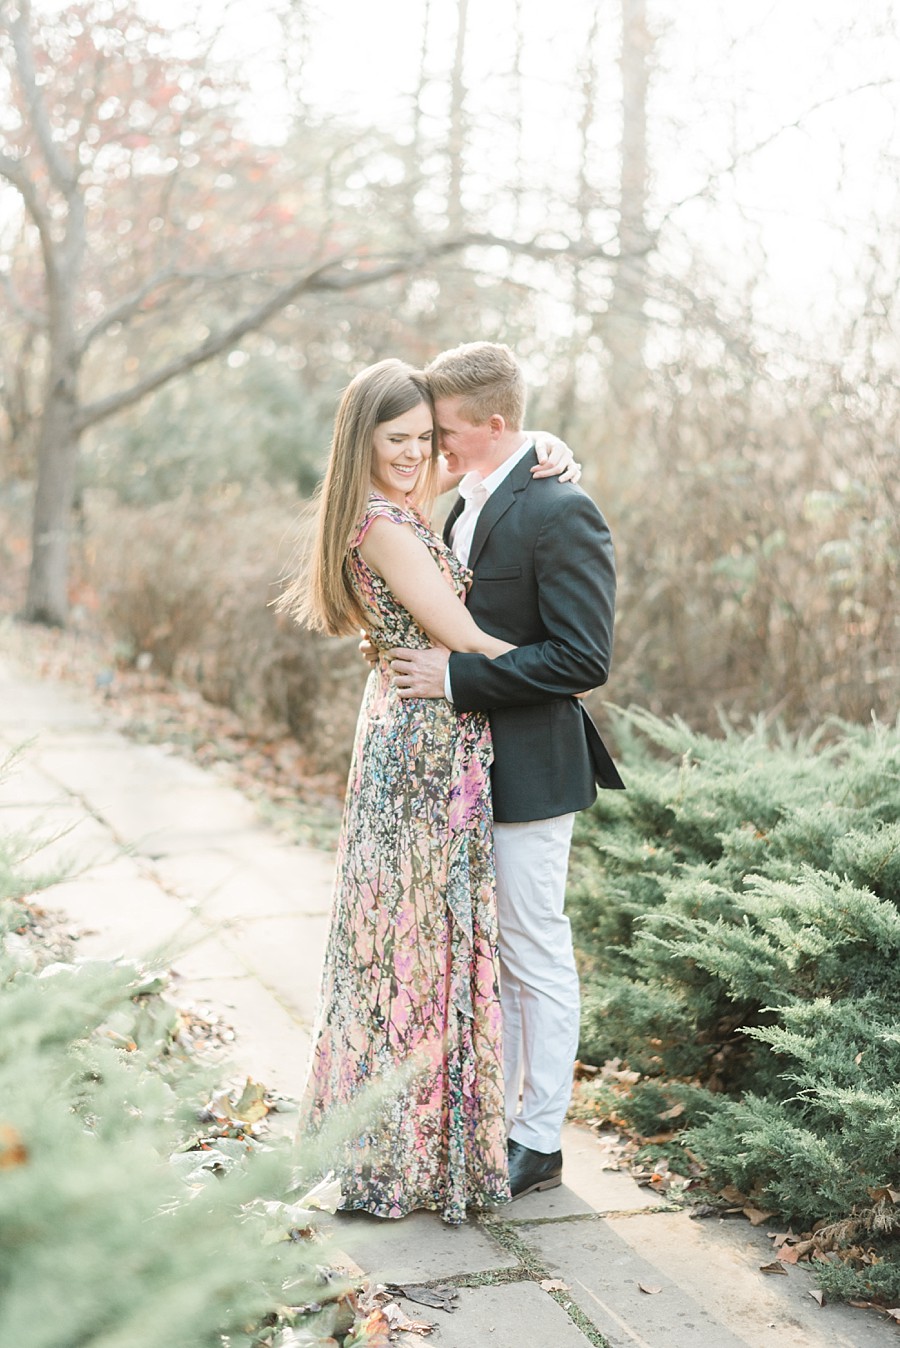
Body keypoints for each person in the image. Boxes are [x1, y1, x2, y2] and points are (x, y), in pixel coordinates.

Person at [281, 358, 578, 1225]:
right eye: (398, 441)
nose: (417, 454)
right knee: (409, 944)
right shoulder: (382, 524)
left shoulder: (409, 499)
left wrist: (550, 449)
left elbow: (492, 452)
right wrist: (555, 671)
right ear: (361, 445)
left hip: (427, 734)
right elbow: (469, 638)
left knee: (424, 938)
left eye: (424, 438)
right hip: (421, 745)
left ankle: (430, 1132)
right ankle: (398, 1149)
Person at [386, 342, 624, 1202]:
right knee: (490, 951)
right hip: (463, 770)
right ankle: (497, 1111)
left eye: (448, 433)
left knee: (534, 947)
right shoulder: (470, 497)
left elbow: (581, 658)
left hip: (531, 766)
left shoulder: (563, 511)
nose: (435, 449)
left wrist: (456, 677)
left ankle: (540, 1139)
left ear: (495, 425)